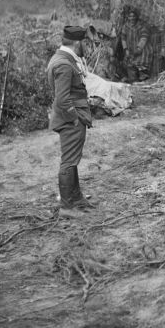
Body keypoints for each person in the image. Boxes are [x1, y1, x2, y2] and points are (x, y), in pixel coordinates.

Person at [47, 26, 94, 219]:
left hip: (71, 117)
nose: (87, 46)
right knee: (68, 161)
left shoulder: (63, 59)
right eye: (85, 43)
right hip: (70, 119)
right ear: (77, 43)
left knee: (72, 159)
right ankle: (67, 206)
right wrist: (75, 118)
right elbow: (62, 99)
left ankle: (76, 198)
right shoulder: (64, 64)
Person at [122, 8, 152, 81]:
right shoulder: (125, 26)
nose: (132, 18)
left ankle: (143, 76)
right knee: (129, 63)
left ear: (136, 17)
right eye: (130, 16)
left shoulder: (142, 26)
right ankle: (132, 79)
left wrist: (139, 48)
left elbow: (144, 37)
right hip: (130, 48)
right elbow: (123, 38)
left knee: (141, 62)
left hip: (141, 48)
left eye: (133, 16)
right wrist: (126, 49)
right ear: (128, 17)